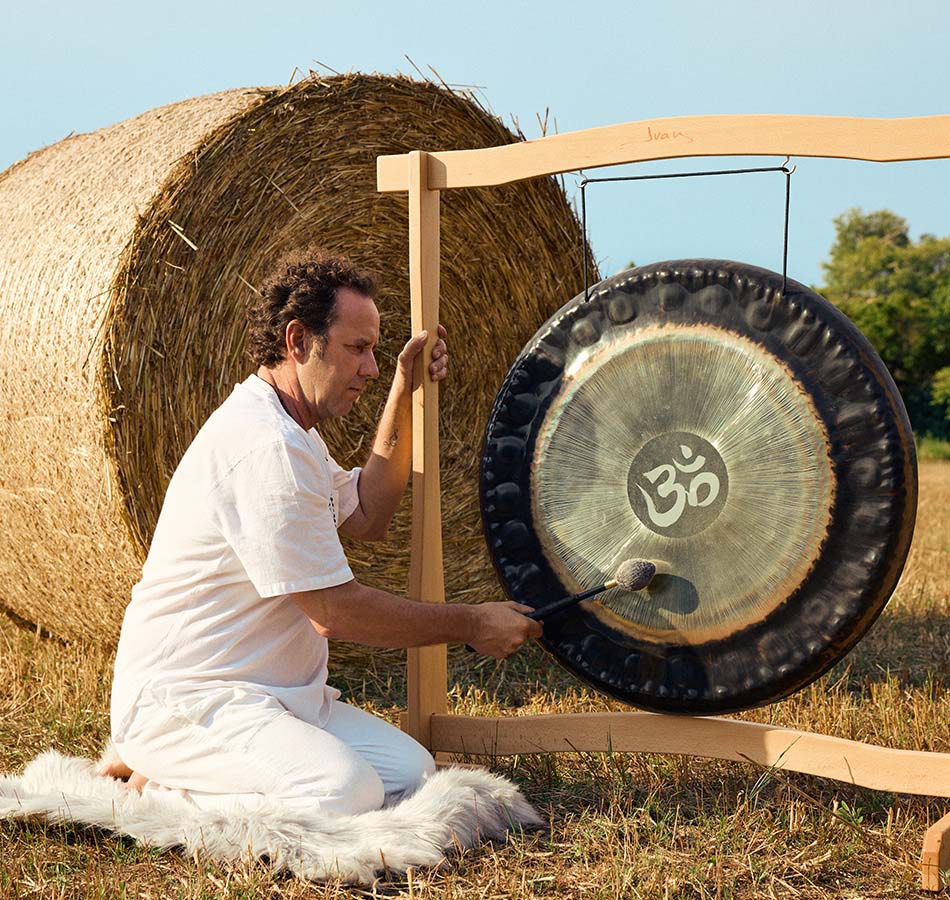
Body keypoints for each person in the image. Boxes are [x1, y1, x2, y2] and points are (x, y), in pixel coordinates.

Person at [102, 249, 542, 815]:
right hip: (193, 697)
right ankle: (159, 782)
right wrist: (471, 622)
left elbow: (367, 514)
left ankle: (180, 767)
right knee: (344, 791)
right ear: (298, 341)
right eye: (357, 349)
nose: (371, 366)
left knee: (411, 773)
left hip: (276, 698)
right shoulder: (266, 445)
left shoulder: (296, 433)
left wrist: (404, 388)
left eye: (375, 351)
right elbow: (332, 611)